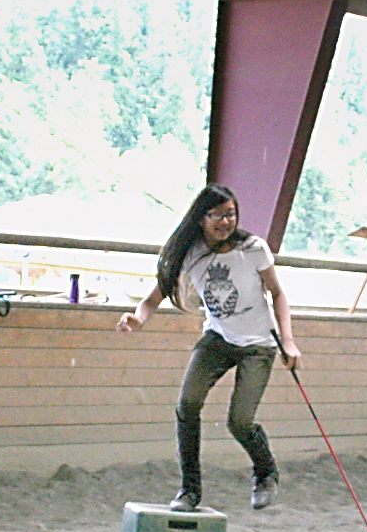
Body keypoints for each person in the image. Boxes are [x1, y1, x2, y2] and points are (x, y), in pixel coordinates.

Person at [117, 184, 300, 512]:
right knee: (187, 404)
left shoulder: (254, 249)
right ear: (201, 218)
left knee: (240, 422)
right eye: (217, 215)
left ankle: (266, 472)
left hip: (258, 345)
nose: (225, 221)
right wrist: (138, 320)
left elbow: (279, 293)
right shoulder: (191, 254)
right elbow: (151, 299)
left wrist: (287, 340)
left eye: (230, 214)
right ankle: (189, 489)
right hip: (217, 340)